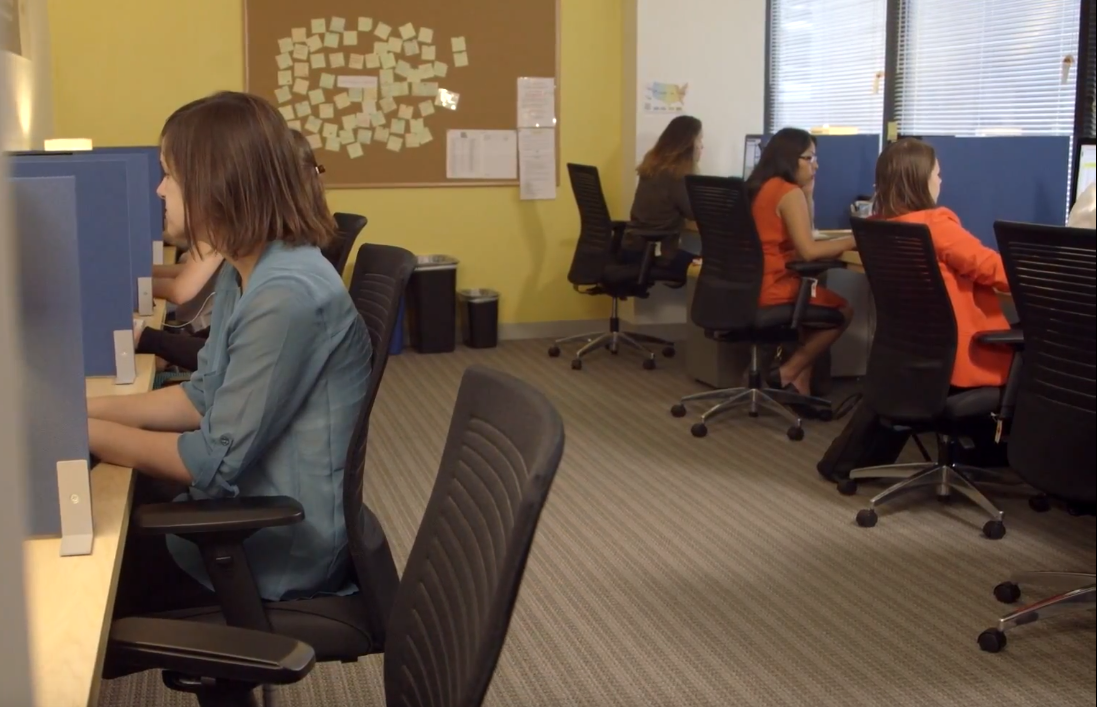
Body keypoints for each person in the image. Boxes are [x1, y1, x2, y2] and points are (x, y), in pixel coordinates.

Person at [87, 91, 371, 616]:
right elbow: (202, 396)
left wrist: (73, 432)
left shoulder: (285, 294)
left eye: (169, 174)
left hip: (274, 545)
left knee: (78, 588)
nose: (159, 189)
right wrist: (82, 410)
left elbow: (210, 464)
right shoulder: (253, 270)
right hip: (247, 510)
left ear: (216, 183)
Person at [872, 137, 1012, 389]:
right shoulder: (934, 225)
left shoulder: (880, 228)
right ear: (920, 181)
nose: (940, 181)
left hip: (916, 357)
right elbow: (995, 270)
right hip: (966, 357)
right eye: (937, 173)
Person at [746, 127, 855, 397]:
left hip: (748, 286)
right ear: (790, 157)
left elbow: (804, 234)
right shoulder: (786, 191)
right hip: (775, 286)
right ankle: (788, 372)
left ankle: (800, 382)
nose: (816, 165)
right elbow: (808, 251)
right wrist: (856, 240)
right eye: (810, 158)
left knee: (813, 304)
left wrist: (808, 192)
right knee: (843, 312)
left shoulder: (761, 187)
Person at [622, 115, 704, 279]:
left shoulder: (653, 165)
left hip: (633, 248)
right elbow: (694, 213)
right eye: (699, 140)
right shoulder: (676, 174)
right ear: (688, 144)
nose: (702, 146)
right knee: (709, 269)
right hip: (657, 255)